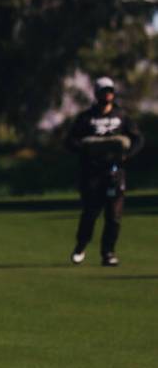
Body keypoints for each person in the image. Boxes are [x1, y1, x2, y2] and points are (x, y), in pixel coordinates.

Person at [64, 76, 144, 266]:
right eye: (103, 91)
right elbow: (70, 141)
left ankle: (108, 253)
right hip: (92, 174)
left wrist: (127, 155)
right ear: (97, 94)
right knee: (90, 213)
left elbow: (138, 139)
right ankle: (81, 245)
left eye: (110, 91)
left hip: (115, 173)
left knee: (114, 216)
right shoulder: (86, 118)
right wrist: (86, 148)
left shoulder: (122, 116)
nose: (107, 94)